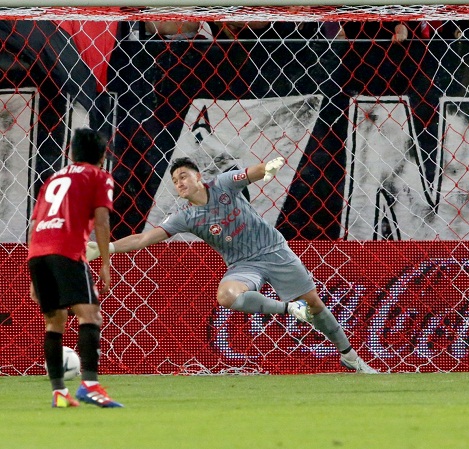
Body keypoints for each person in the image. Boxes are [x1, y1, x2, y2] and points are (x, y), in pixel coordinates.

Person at [86, 156, 377, 373]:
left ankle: (350, 357)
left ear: (199, 177)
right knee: (226, 296)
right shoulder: (185, 217)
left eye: (184, 176)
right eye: (175, 181)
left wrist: (268, 168)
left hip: (274, 251)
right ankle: (289, 309)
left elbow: (252, 173)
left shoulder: (223, 184)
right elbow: (143, 238)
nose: (180, 183)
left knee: (314, 305)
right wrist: (106, 248)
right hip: (243, 264)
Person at [28, 128, 123, 408]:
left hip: (38, 253)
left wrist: (33, 273)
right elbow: (102, 221)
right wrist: (105, 261)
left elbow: (35, 224)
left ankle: (59, 392)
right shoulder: (99, 176)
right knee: (91, 315)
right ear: (103, 156)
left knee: (54, 321)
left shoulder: (53, 178)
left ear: (71, 153)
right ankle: (90, 386)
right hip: (67, 250)